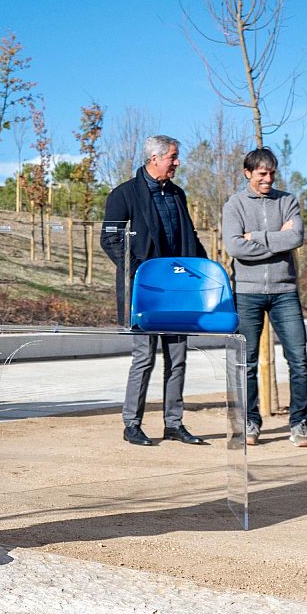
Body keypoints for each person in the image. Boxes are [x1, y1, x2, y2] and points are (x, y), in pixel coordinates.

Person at [100, 134, 208, 447]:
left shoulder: (178, 194)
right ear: (154, 159)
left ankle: (173, 424)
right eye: (173, 157)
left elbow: (190, 236)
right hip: (143, 292)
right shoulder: (123, 194)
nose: (177, 162)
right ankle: (131, 424)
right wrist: (141, 271)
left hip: (178, 293)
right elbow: (110, 239)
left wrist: (202, 271)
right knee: (144, 358)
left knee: (178, 359)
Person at [222, 147, 307, 447]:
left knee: (298, 360)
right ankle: (250, 421)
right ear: (248, 173)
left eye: (272, 172)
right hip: (247, 293)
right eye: (262, 173)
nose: (268, 178)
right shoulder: (234, 204)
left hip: (285, 292)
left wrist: (256, 237)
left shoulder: (288, 201)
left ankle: (299, 423)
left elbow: (296, 237)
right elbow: (235, 248)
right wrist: (277, 240)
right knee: (246, 363)